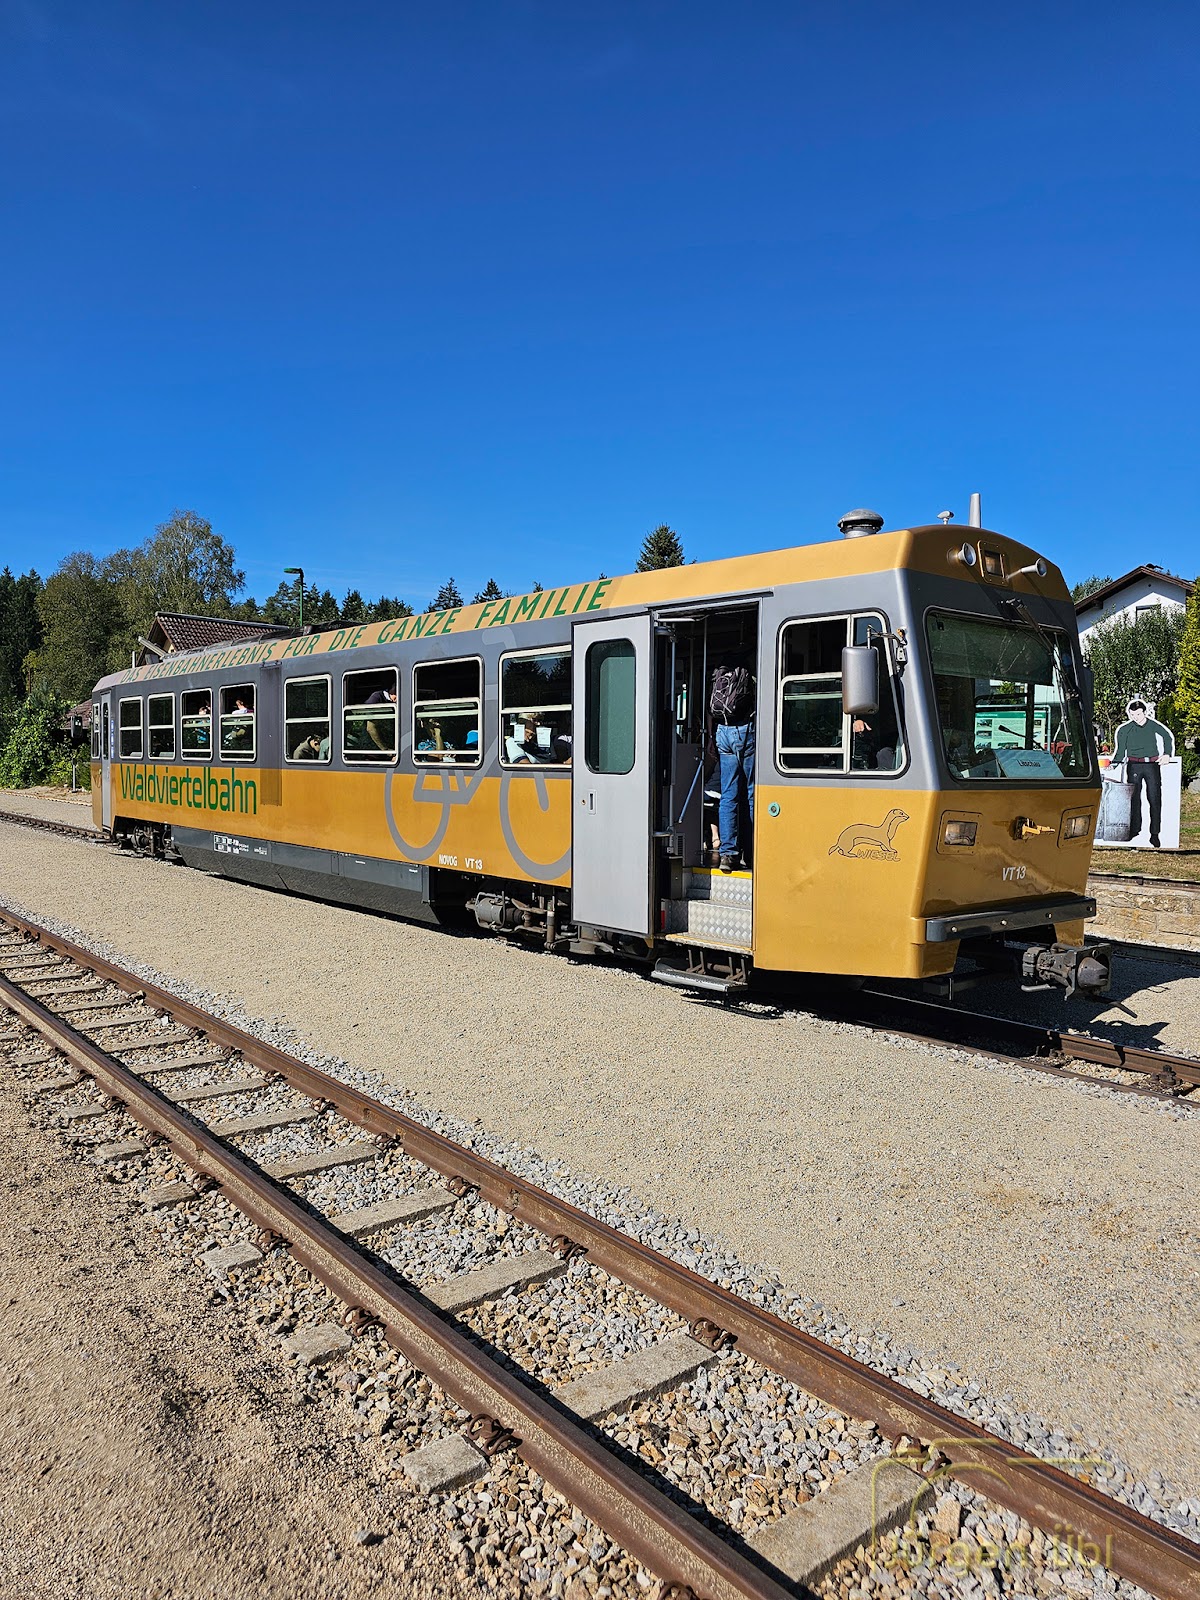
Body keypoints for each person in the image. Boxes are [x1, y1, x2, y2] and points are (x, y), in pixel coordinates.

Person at [708, 655, 755, 872]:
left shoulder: (720, 674)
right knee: (752, 792)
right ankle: (755, 852)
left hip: (722, 732)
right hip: (744, 731)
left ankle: (728, 854)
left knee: (728, 795)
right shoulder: (748, 672)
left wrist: (711, 739)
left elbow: (711, 712)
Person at [1112, 699, 1175, 848]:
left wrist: (1167, 754)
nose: (1136, 717)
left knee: (1154, 798)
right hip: (1134, 765)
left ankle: (1155, 834)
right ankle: (1135, 829)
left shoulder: (1152, 725)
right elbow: (1120, 750)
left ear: (1144, 712)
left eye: (1138, 714)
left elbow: (1167, 737)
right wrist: (1114, 763)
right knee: (1134, 799)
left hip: (1152, 765)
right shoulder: (1125, 729)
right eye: (1133, 714)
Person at [364, 684, 397, 754]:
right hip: (374, 748)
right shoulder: (376, 697)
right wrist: (387, 751)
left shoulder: (396, 702)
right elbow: (370, 726)